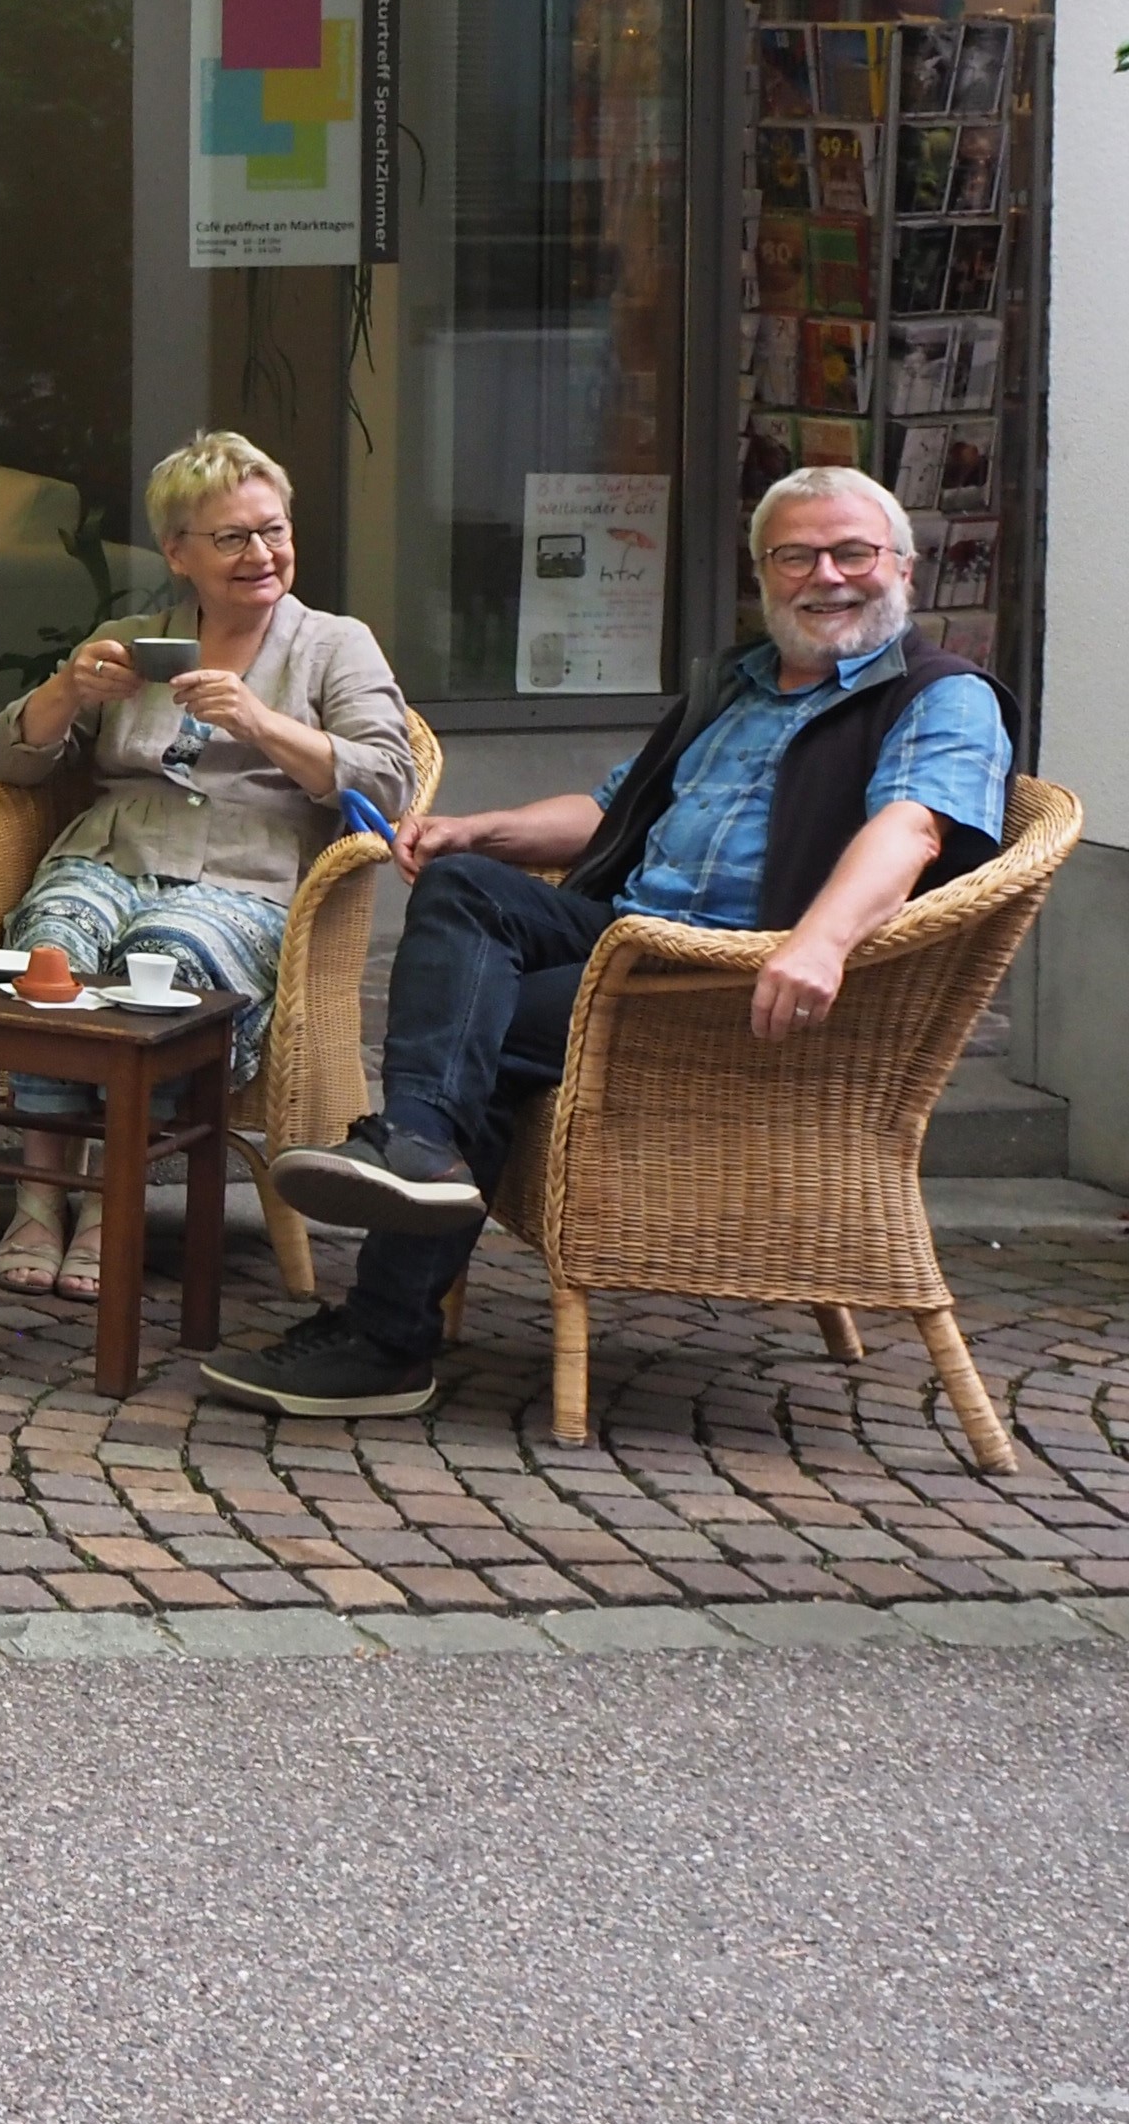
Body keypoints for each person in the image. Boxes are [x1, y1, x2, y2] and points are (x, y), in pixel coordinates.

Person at [206, 464, 1013, 1421]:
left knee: (486, 1034)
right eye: (795, 555)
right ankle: (417, 1146)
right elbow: (611, 812)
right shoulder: (738, 683)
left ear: (906, 569)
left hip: (737, 975)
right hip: (628, 936)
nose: (825, 576)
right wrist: (476, 830)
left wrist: (821, 943)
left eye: (852, 553)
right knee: (466, 889)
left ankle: (386, 1338)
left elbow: (913, 828)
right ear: (763, 573)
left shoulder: (939, 695)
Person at [0, 432, 415, 1301]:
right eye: (233, 538)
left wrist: (262, 723)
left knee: (168, 957)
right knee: (52, 947)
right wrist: (66, 691)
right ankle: (41, 1195)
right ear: (177, 552)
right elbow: (13, 766)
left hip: (247, 875)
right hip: (113, 850)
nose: (262, 554)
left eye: (274, 531)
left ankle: (112, 1200)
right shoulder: (134, 641)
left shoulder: (335, 645)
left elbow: (390, 779)